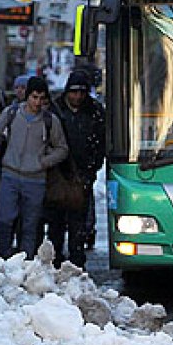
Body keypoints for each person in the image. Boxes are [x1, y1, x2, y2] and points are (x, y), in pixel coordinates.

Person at [0, 76, 68, 259]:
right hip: (10, 173)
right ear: (27, 96)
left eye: (41, 98)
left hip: (36, 178)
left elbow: (62, 149)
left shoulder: (50, 121)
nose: (38, 102)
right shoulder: (11, 113)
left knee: (30, 224)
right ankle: (4, 255)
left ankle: (26, 259)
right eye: (34, 97)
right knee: (4, 219)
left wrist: (44, 162)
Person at [44, 70, 105, 268]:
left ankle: (77, 262)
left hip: (82, 175)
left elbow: (101, 142)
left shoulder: (94, 112)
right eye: (74, 92)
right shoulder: (55, 110)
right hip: (58, 174)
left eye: (81, 92)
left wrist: (91, 168)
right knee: (56, 222)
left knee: (78, 222)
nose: (77, 97)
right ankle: (56, 261)